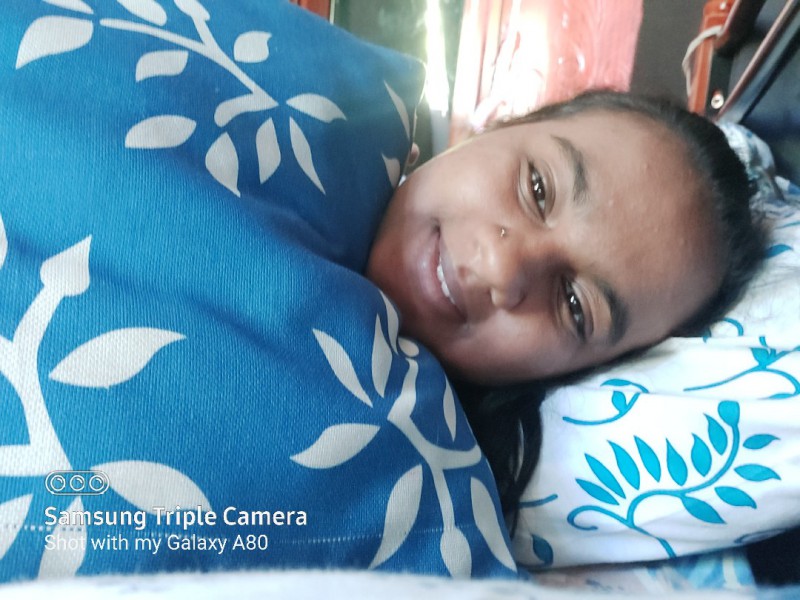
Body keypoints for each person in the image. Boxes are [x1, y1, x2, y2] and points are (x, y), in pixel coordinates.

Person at [366, 90, 766, 519]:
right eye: (538, 189)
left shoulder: (431, 515)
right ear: (502, 126)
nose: (501, 268)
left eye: (575, 306)